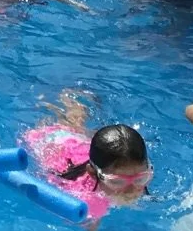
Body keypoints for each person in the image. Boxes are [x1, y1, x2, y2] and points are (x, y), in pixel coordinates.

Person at [24, 95, 151, 224]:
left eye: (140, 179)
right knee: (65, 125)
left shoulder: (128, 170)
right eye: (117, 182)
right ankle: (57, 98)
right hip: (50, 142)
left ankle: (71, 100)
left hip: (81, 148)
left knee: (75, 126)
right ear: (92, 173)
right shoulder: (84, 197)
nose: (131, 190)